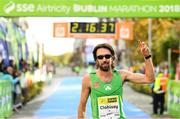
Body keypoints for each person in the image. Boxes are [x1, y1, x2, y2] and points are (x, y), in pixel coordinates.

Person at [78, 42, 155, 119]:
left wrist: (147, 57)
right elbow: (82, 108)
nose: (104, 59)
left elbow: (149, 79)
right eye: (100, 57)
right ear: (96, 60)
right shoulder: (88, 79)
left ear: (113, 58)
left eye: (107, 56)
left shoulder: (122, 75)